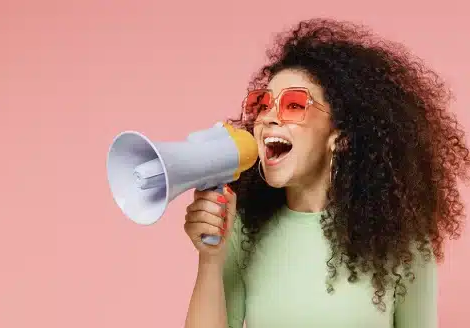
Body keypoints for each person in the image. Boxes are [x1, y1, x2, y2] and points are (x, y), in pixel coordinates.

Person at [183, 18, 469, 328]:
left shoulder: (401, 241)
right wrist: (210, 260)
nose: (269, 119)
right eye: (262, 105)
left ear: (340, 134)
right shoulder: (242, 231)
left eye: (294, 105)